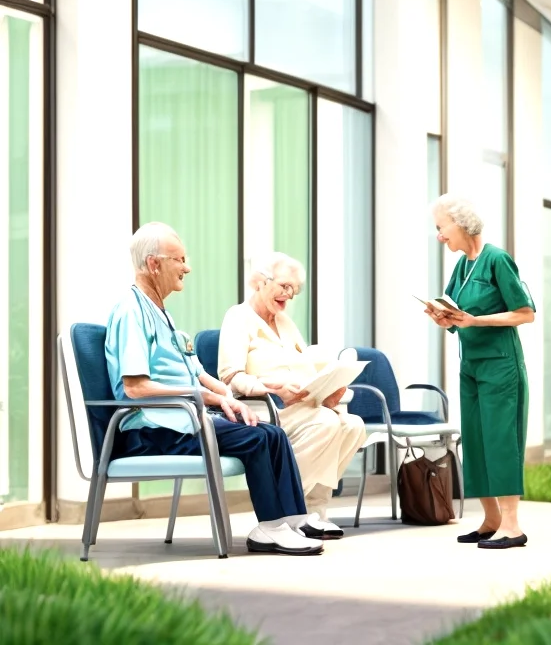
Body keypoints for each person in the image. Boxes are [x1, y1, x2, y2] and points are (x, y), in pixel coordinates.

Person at [105, 222, 326, 556]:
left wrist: (227, 397)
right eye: (179, 260)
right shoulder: (131, 312)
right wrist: (206, 397)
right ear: (154, 264)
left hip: (183, 419)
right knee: (256, 438)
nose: (187, 268)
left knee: (272, 433)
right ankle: (270, 527)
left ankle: (291, 520)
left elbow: (197, 372)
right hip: (154, 429)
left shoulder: (162, 314)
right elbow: (135, 388)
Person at [218, 252, 367, 540]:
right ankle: (288, 511)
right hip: (264, 409)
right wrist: (271, 387)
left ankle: (314, 510)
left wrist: (328, 389)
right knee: (325, 422)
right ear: (260, 281)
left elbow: (306, 366)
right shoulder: (238, 317)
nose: (289, 294)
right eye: (284, 286)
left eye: (294, 290)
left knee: (353, 425)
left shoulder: (285, 322)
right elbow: (230, 377)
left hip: (302, 407)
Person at [426, 195, 535, 549]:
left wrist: (477, 321)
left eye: (441, 227)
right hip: (470, 366)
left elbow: (525, 313)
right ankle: (491, 519)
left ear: (461, 223)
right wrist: (444, 319)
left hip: (501, 367)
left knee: (501, 441)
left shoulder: (497, 260)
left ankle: (512, 526)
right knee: (475, 441)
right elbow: (458, 315)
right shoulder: (462, 266)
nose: (439, 235)